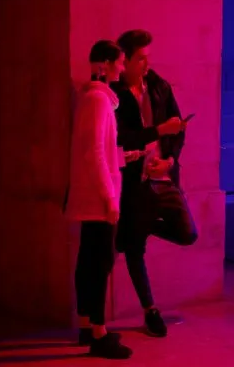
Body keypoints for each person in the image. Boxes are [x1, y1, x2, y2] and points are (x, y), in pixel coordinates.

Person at [111, 29, 198, 338]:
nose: (147, 64)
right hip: (136, 183)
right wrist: (160, 130)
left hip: (164, 177)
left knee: (188, 233)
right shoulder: (115, 95)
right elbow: (121, 139)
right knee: (134, 251)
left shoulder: (159, 86)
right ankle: (150, 311)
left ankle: (143, 226)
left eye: (148, 57)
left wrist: (171, 159)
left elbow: (179, 129)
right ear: (126, 60)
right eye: (141, 59)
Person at [64, 40, 132, 359]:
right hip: (98, 198)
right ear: (103, 64)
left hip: (95, 195)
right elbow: (92, 153)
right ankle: (98, 333)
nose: (122, 67)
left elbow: (97, 149)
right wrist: (110, 197)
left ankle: (87, 325)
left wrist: (123, 156)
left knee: (90, 259)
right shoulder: (98, 100)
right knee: (100, 261)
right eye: (119, 62)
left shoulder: (92, 99)